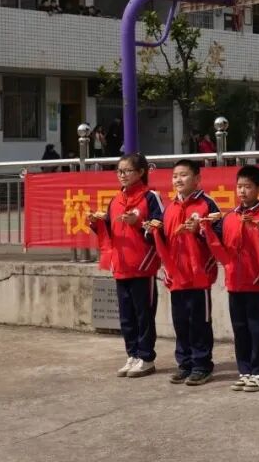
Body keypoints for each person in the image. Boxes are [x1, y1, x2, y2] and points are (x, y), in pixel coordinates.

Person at [201, 165, 259, 393]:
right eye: (239, 186)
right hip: (235, 283)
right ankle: (244, 371)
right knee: (240, 330)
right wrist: (205, 226)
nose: (243, 191)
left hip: (257, 284)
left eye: (248, 187)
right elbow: (216, 242)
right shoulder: (229, 217)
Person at [86, 153, 163, 378]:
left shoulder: (150, 197)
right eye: (119, 171)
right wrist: (96, 223)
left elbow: (160, 229)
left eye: (127, 171)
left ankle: (146, 357)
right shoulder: (115, 200)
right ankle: (132, 355)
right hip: (120, 266)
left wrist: (138, 223)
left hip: (142, 267)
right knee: (127, 316)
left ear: (141, 172)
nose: (122, 175)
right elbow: (110, 231)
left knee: (144, 315)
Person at [148, 159, 220, 386]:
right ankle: (185, 363)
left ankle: (202, 365)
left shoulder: (207, 204)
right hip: (177, 275)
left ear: (197, 179)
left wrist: (200, 230)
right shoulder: (169, 207)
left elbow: (219, 237)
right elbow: (162, 238)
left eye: (184, 175)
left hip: (199, 276)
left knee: (200, 322)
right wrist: (151, 231)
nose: (178, 180)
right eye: (175, 176)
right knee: (180, 322)